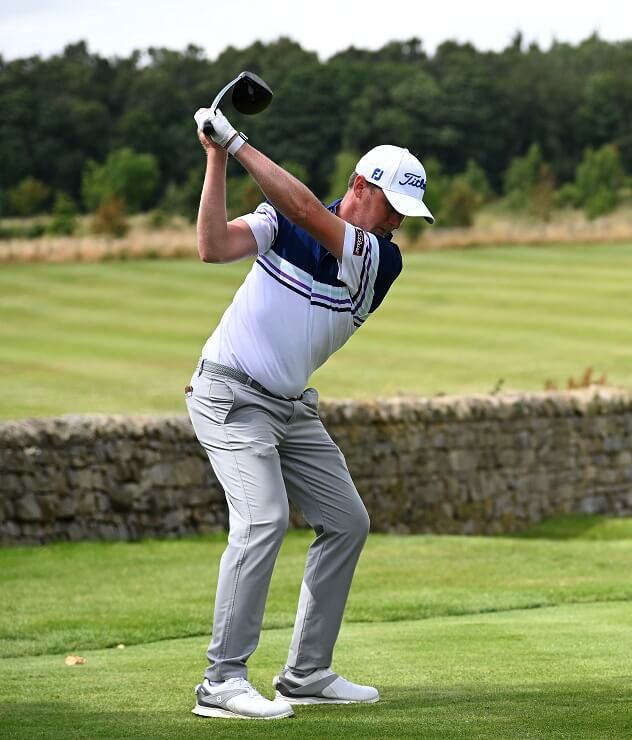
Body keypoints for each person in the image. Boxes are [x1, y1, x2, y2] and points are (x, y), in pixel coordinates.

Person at [186, 106, 434, 720]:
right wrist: (216, 159)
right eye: (393, 204)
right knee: (264, 519)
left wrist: (236, 140)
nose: (399, 220)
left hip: (290, 409)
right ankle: (221, 681)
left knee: (347, 521)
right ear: (359, 186)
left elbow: (305, 211)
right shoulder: (281, 221)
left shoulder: (380, 259)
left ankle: (306, 673)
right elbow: (213, 247)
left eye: (407, 213)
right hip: (229, 395)